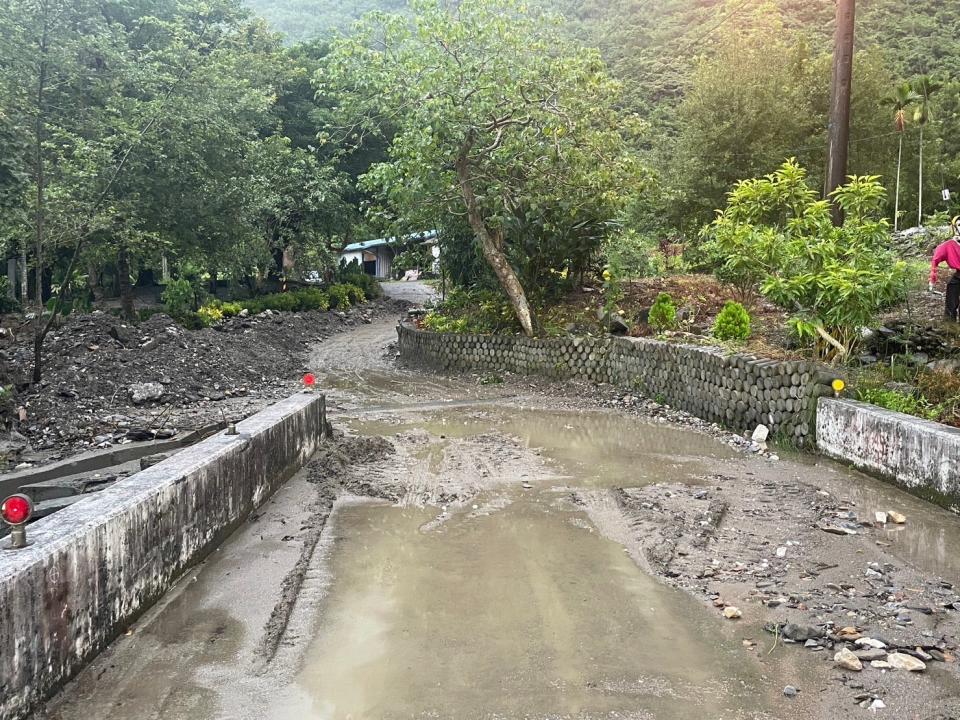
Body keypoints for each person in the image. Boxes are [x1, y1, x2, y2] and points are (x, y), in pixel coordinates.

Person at [930, 215, 960, 321]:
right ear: (955, 228)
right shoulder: (949, 245)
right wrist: (932, 279)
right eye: (959, 225)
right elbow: (935, 259)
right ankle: (949, 323)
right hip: (959, 275)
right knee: (952, 288)